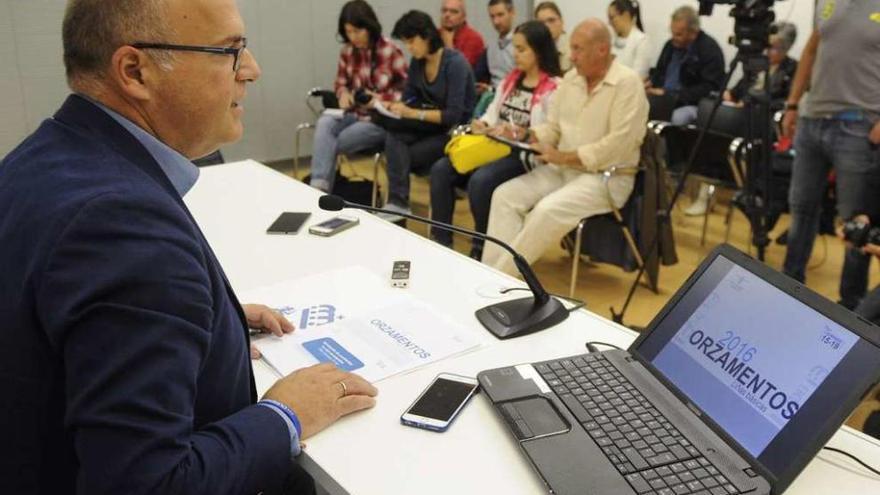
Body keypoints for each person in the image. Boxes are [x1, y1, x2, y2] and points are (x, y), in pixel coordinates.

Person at [0, 1, 378, 493]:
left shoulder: (41, 158)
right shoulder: (124, 227)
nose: (252, 70)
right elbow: (148, 484)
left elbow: (58, 324)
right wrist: (286, 415)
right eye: (229, 51)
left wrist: (198, 318)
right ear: (135, 71)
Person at [482, 19, 649, 276]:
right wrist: (527, 133)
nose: (571, 56)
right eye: (571, 48)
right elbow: (554, 128)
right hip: (563, 169)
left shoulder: (628, 84)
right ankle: (489, 272)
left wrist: (562, 156)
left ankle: (498, 279)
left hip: (606, 178)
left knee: (545, 211)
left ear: (602, 50)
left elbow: (617, 145)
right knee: (504, 195)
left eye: (578, 49)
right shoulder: (571, 80)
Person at [430, 20, 561, 260]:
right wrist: (484, 124)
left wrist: (519, 132)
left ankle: (482, 247)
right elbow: (493, 114)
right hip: (493, 147)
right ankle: (441, 240)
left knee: (481, 181)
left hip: (524, 154)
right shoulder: (511, 80)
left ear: (539, 50)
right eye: (515, 48)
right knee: (441, 169)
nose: (515, 54)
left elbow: (550, 130)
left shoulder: (554, 88)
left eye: (522, 49)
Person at [781, 0, 880, 311]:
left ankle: (851, 307)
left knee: (856, 226)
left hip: (859, 124)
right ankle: (788, 286)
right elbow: (812, 48)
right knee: (801, 210)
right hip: (812, 120)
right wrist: (794, 102)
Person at [382, 10, 476, 217]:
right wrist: (396, 106)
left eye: (411, 41)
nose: (409, 47)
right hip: (429, 127)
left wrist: (412, 113)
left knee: (402, 156)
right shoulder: (418, 61)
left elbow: (453, 115)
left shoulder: (455, 64)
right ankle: (398, 203)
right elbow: (410, 97)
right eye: (406, 42)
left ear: (426, 36)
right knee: (393, 134)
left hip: (454, 133)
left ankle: (398, 204)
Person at [309, 0, 408, 193]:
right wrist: (343, 93)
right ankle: (318, 188)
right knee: (325, 123)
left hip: (378, 119)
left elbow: (405, 92)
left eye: (357, 31)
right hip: (352, 113)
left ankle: (320, 192)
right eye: (348, 32)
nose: (353, 37)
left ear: (369, 27)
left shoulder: (390, 50)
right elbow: (340, 83)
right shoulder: (347, 51)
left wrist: (377, 98)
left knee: (333, 142)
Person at [646, 5, 725, 126]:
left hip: (690, 103)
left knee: (676, 119)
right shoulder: (670, 45)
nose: (673, 38)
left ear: (693, 33)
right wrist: (650, 82)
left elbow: (710, 88)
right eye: (672, 33)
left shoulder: (709, 50)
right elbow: (659, 71)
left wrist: (672, 96)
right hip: (663, 98)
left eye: (678, 34)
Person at [723, 22, 798, 113]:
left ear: (786, 49)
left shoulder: (792, 69)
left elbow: (786, 101)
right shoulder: (759, 62)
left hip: (767, 118)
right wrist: (729, 95)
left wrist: (754, 106)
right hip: (741, 113)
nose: (767, 51)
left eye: (773, 48)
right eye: (766, 46)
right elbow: (739, 89)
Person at [475, 0, 517, 91]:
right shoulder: (491, 48)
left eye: (500, 15)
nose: (496, 22)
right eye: (492, 16)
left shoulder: (521, 45)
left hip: (514, 97)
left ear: (512, 12)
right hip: (493, 97)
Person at [607, 0, 651, 80]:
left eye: (612, 18)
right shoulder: (611, 40)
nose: (609, 22)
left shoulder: (641, 40)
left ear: (625, 15)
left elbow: (638, 77)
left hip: (629, 89)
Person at [439, 0, 485, 69]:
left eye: (454, 12)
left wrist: (449, 46)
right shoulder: (435, 33)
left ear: (463, 17)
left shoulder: (473, 38)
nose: (447, 15)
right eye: (444, 10)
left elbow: (461, 72)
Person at [534, 1, 571, 73]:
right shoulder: (534, 51)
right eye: (541, 23)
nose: (547, 26)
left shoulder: (573, 49)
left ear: (561, 22)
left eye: (551, 20)